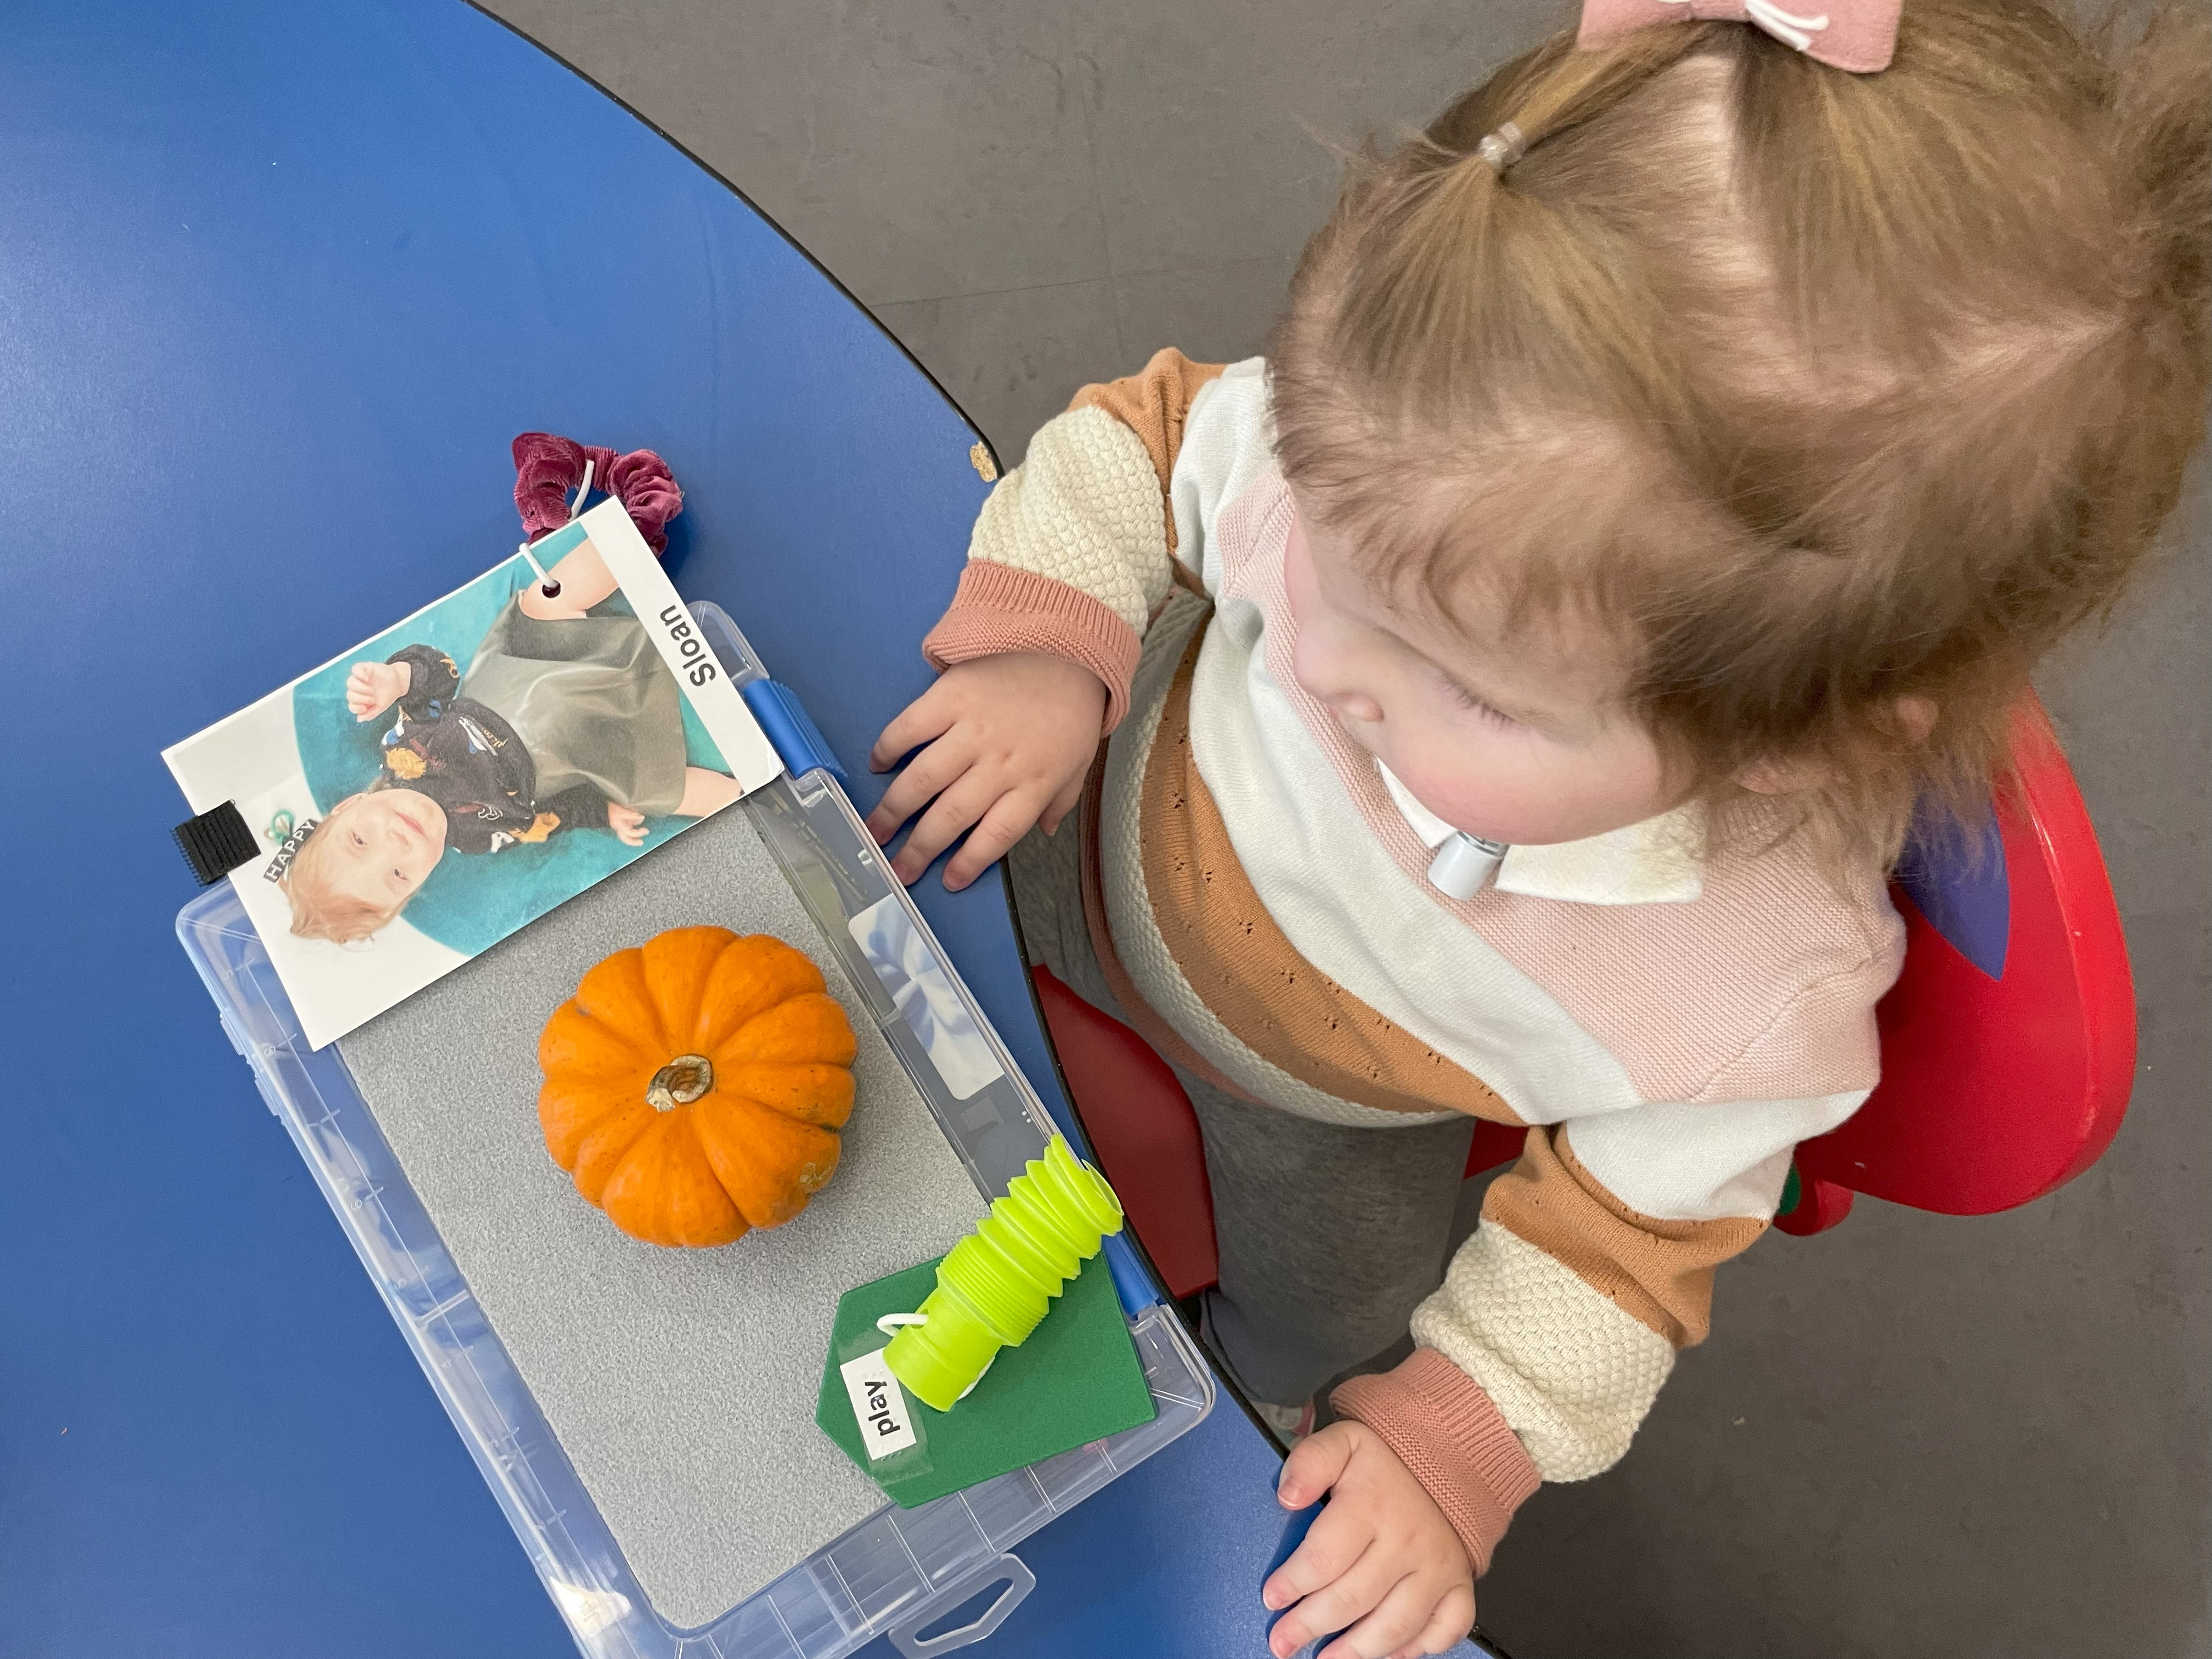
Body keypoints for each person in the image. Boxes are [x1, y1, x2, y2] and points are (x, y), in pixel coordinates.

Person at [863, 2, 2210, 1654]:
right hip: (1084, 808)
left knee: (1313, 1349)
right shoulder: (1411, 488)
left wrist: (1445, 1455)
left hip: (1335, 1115)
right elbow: (1148, 449)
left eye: (1467, 690)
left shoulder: (1744, 1001)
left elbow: (1620, 1252)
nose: (1329, 665)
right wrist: (1047, 648)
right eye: (1334, 538)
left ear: (1792, 750)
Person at [283, 443, 744, 944]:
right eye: (398, 874)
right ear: (416, 888)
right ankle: (746, 789)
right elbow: (547, 819)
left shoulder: (402, 751)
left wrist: (397, 680)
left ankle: (631, 535)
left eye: (360, 839)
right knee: (650, 789)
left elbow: (440, 676)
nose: (395, 842)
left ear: (347, 806)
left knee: (542, 604)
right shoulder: (476, 840)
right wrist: (603, 812)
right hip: (571, 751)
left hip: (518, 673)